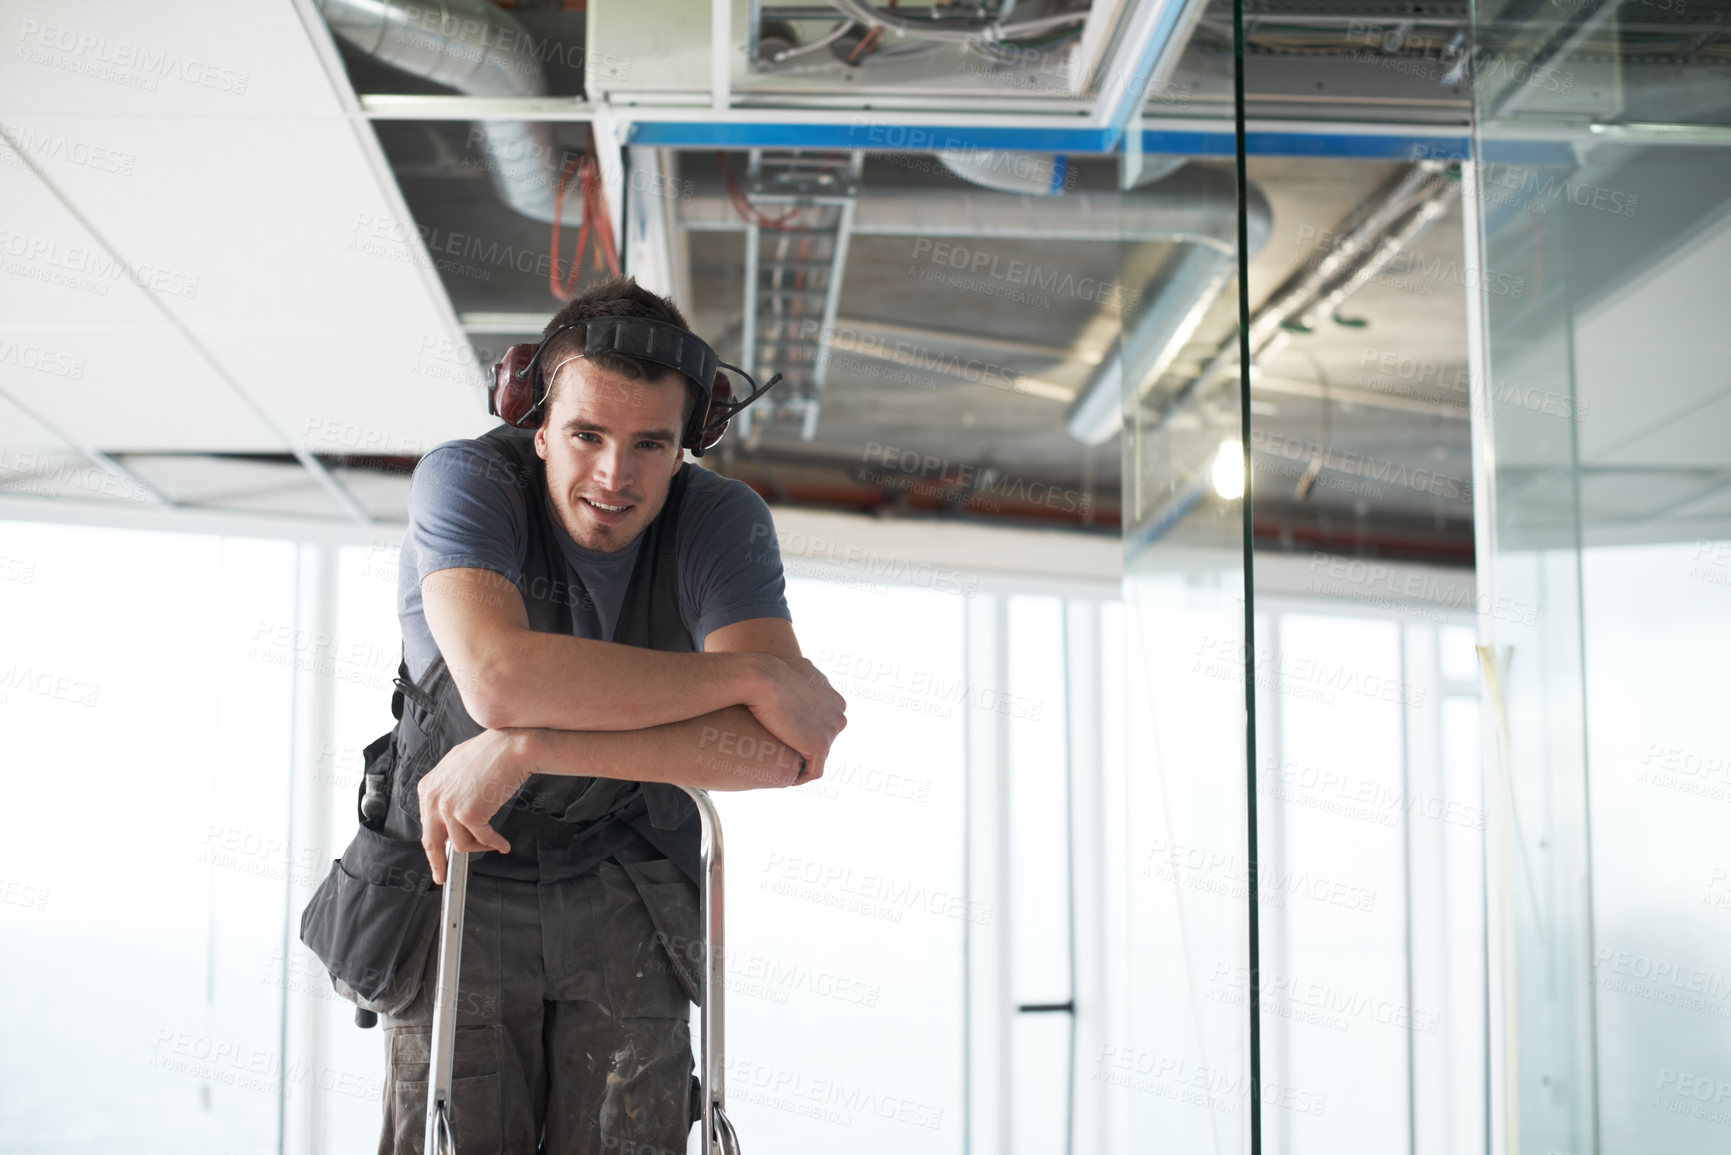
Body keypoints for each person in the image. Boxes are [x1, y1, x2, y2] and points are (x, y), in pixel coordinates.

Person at [331, 277, 847, 1154]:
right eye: (586, 435)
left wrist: (531, 744)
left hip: (623, 875)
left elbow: (784, 751)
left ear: (689, 441)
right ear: (533, 420)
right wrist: (754, 675)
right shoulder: (466, 482)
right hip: (454, 868)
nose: (616, 475)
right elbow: (497, 678)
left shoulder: (718, 521)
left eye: (651, 443)